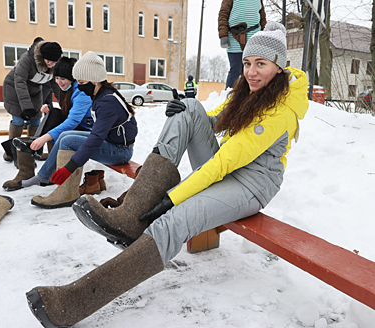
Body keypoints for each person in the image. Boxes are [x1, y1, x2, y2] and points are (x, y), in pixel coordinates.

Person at [25, 22, 309, 327]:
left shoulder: (281, 111)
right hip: (228, 167)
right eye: (248, 63)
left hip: (250, 184)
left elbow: (223, 163)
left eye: (261, 64)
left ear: (279, 67)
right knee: (188, 107)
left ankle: (76, 300)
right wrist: (188, 111)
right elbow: (216, 119)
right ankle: (132, 215)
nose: (251, 72)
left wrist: (173, 198)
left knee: (176, 219)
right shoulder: (250, 90)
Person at [16, 51, 137, 209]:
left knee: (68, 140)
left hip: (120, 151)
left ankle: (66, 193)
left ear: (94, 80)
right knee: (66, 135)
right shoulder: (100, 95)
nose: (79, 86)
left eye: (81, 82)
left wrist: (69, 168)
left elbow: (95, 139)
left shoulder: (107, 101)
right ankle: (44, 177)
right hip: (111, 143)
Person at [6, 56, 92, 190]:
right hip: (76, 126)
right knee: (54, 113)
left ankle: (44, 174)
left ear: (72, 77)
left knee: (61, 132)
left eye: (62, 78)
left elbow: (72, 122)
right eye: (57, 78)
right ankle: (32, 149)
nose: (59, 82)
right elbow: (66, 114)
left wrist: (45, 137)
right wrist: (49, 112)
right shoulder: (67, 89)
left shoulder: (82, 93)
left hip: (85, 130)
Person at [2, 37, 62, 162]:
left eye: (54, 63)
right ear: (42, 57)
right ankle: (12, 153)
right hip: (14, 89)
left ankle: (33, 151)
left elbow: (55, 84)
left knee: (36, 120)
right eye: (49, 62)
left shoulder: (54, 63)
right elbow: (20, 82)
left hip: (34, 90)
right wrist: (26, 107)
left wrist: (64, 102)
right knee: (18, 120)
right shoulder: (27, 59)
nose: (51, 65)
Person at [219, 0, 266, 89]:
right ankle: (230, 96)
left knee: (253, 70)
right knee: (236, 69)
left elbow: (262, 17)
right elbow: (223, 15)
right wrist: (223, 35)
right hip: (235, 39)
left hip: (254, 39)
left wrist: (265, 34)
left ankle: (252, 95)